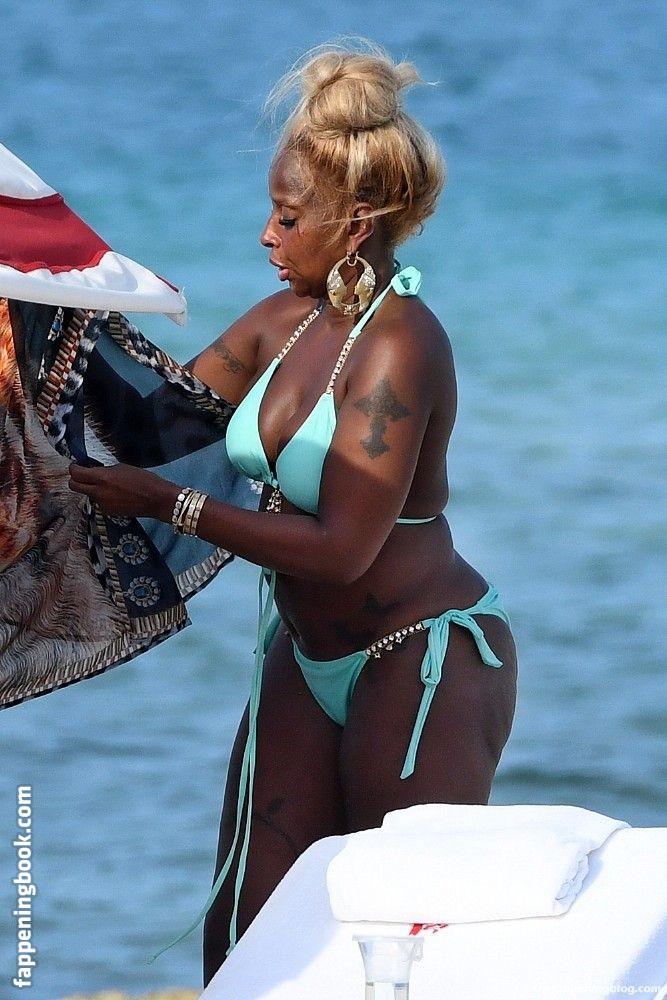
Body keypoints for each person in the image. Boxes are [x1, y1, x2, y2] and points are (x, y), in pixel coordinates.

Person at [68, 42, 518, 985]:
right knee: (246, 928)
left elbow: (343, 549)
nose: (266, 238)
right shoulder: (289, 320)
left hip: (417, 662)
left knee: (399, 944)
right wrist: (41, 310)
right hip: (304, 655)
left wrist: (171, 504)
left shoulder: (399, 346)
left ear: (354, 224)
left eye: (286, 217)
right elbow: (152, 422)